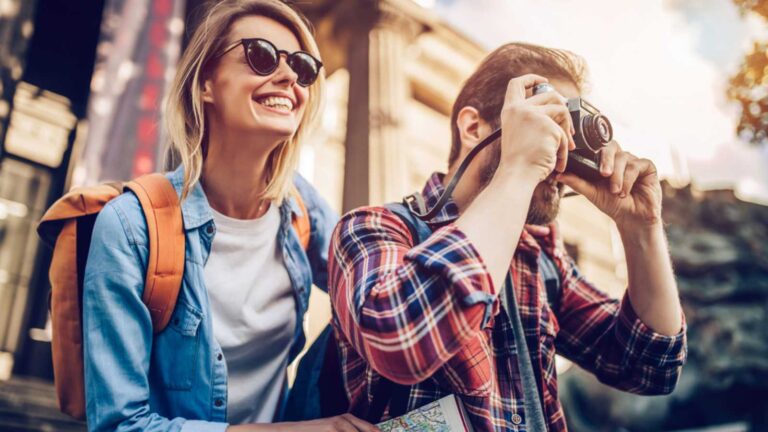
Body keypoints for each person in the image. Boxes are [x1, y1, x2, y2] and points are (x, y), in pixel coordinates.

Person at [327, 43, 687, 431]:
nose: (559, 150)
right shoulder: (373, 228)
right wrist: (518, 166)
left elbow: (649, 366)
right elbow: (402, 340)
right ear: (473, 127)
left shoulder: (540, 259)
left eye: (569, 132)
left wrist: (641, 230)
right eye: (548, 123)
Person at [82, 1, 377, 431]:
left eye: (303, 66)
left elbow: (381, 304)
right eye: (260, 55)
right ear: (206, 84)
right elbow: (119, 424)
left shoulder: (301, 209)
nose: (290, 77)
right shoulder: (130, 227)